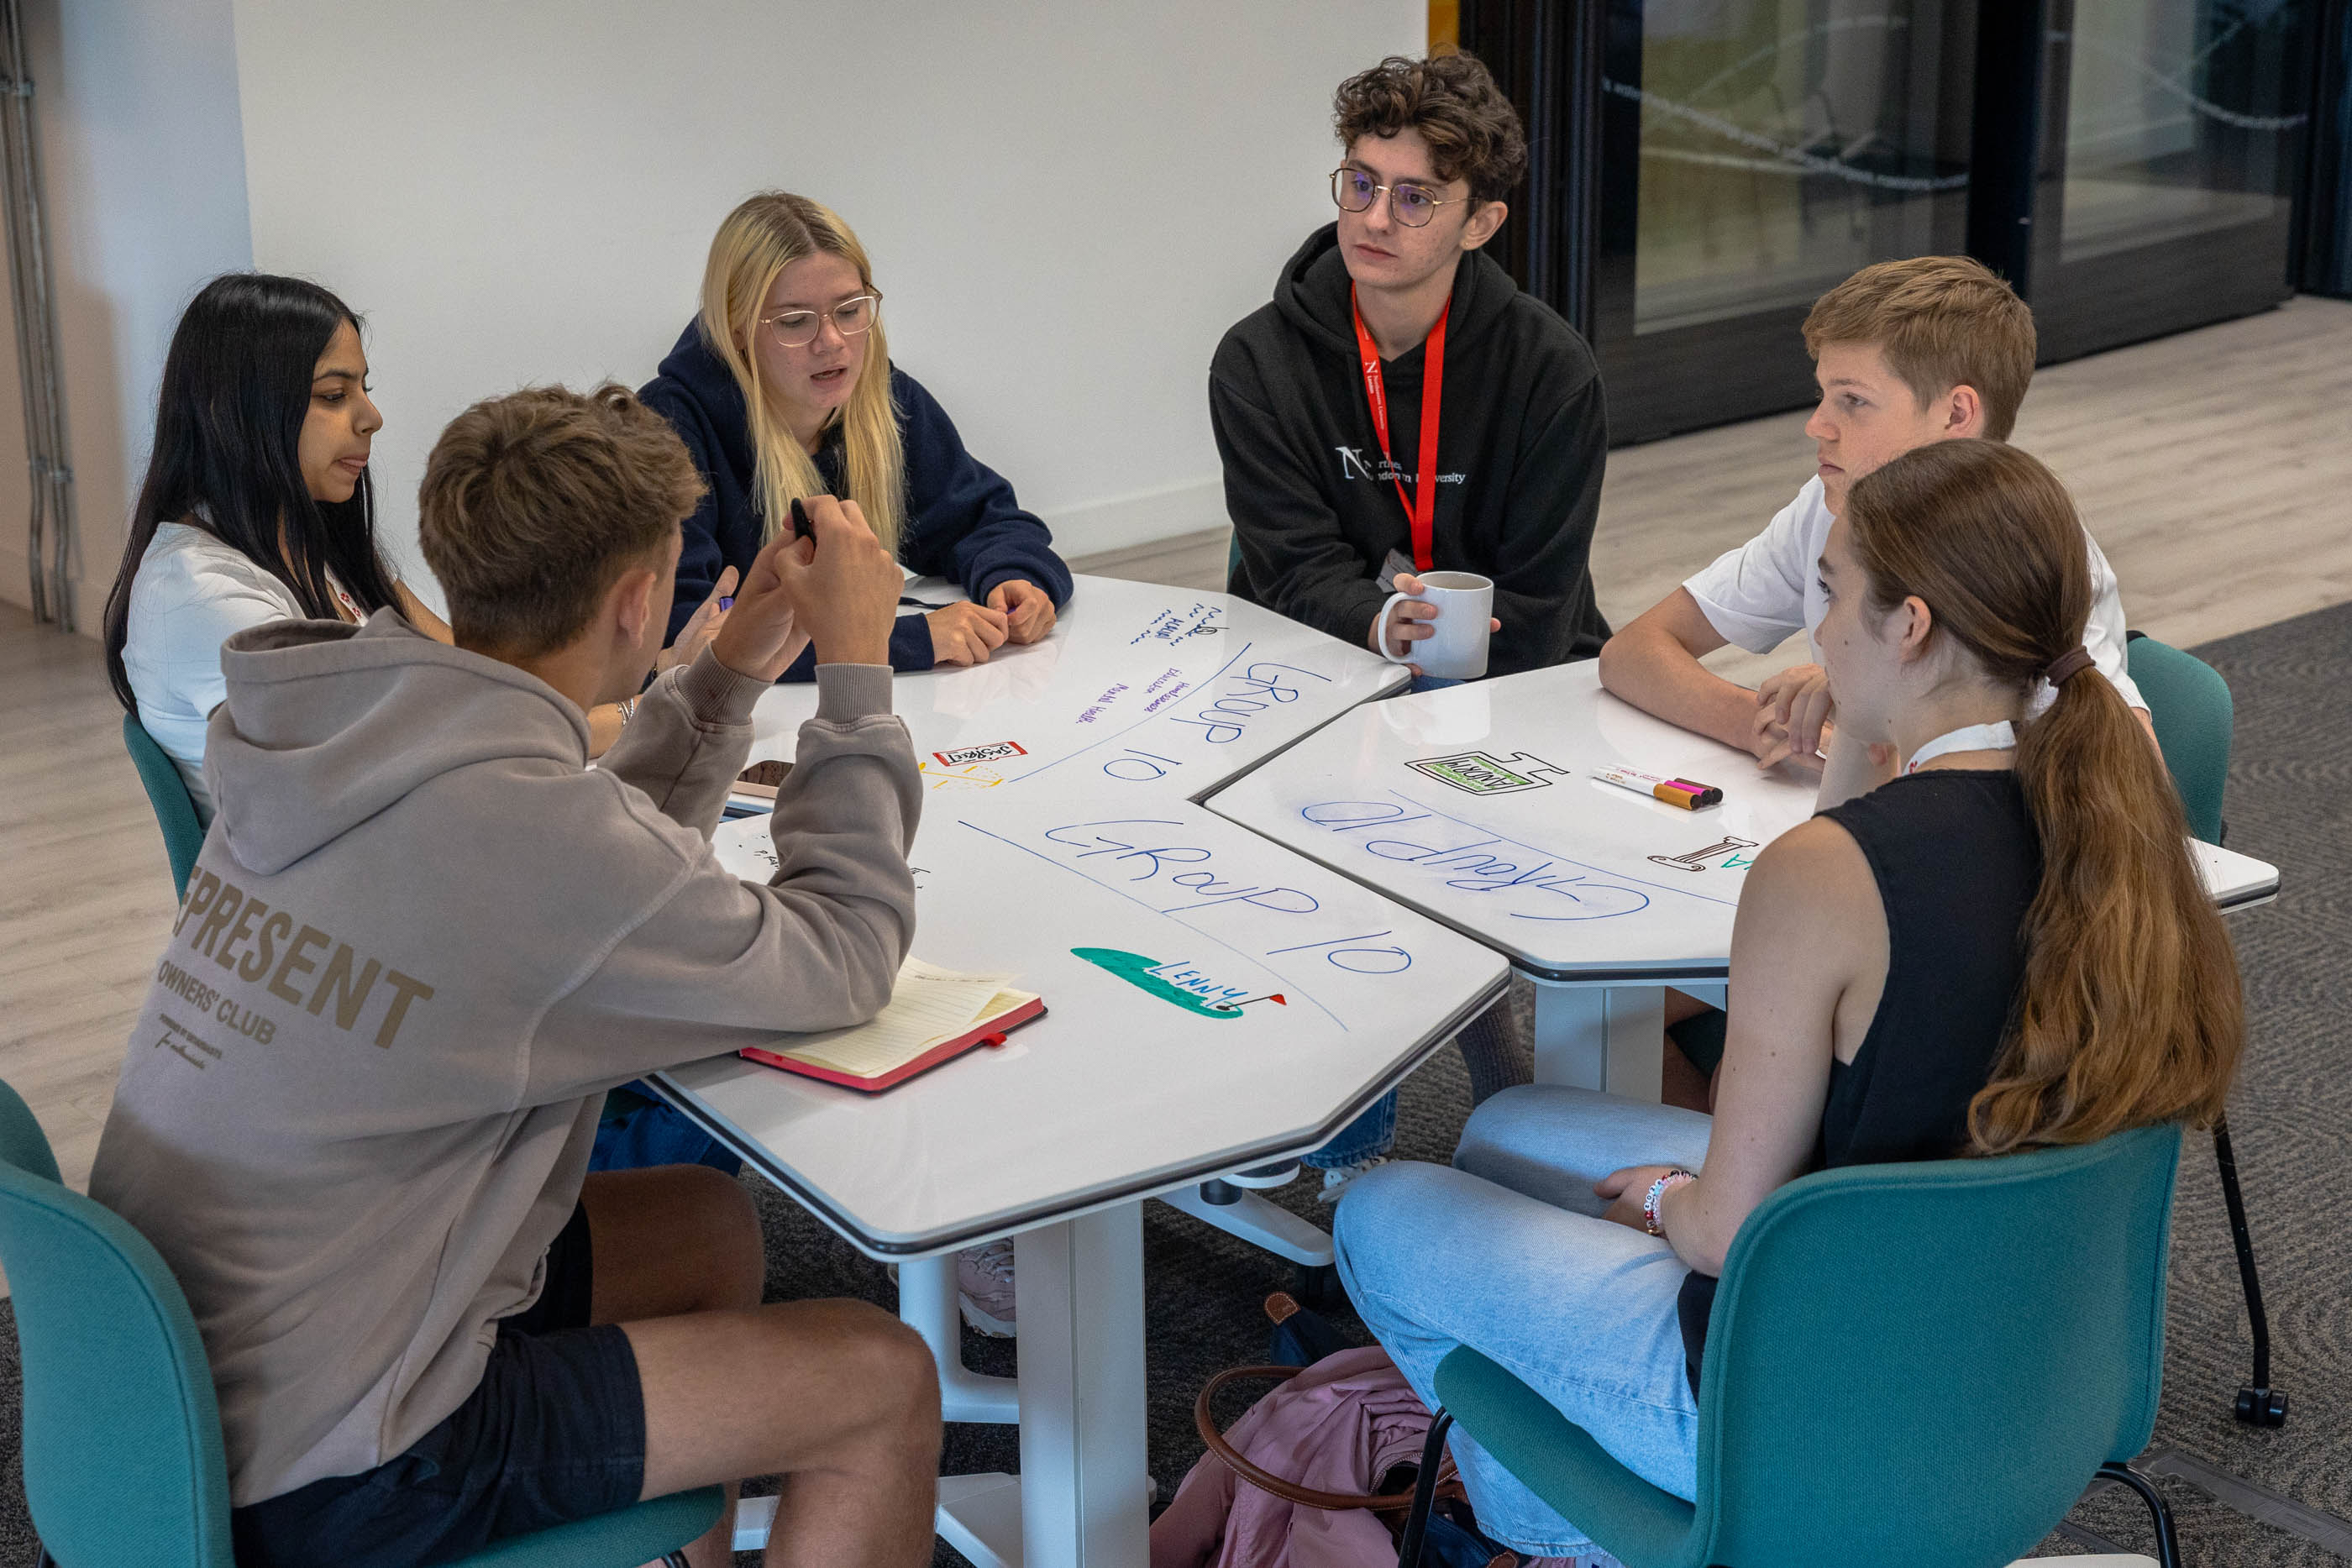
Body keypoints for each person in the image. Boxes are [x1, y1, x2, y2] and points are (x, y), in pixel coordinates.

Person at [1334, 439, 2243, 1563]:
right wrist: (1869, 721)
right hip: (2029, 1369)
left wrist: (1667, 1198)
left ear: (1910, 625)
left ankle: (1565, 1539)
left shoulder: (1823, 876)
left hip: (1791, 1407)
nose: (1815, 636)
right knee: (1504, 1128)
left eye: (1832, 594)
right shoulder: (2128, 827)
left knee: (1378, 1213)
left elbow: (1724, 1230)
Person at [90, 384, 941, 1568]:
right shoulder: (531, 836)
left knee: (703, 1227)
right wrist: (855, 676)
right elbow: (844, 953)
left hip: (174, 1382)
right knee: (881, 1380)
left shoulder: (348, 727)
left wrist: (727, 672)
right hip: (337, 1458)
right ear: (639, 600)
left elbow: (563, 866)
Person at [104, 276, 732, 816]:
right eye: (333, 396)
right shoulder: (201, 595)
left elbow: (484, 677)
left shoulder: (312, 548)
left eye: (363, 388)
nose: (371, 416)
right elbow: (450, 741)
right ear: (232, 412)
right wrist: (645, 708)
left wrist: (656, 666)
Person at [1597, 255, 2152, 783]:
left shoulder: (2041, 557)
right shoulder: (1829, 506)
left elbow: (2126, 778)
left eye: (1853, 401)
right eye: (1823, 395)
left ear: (1956, 413)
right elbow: (1633, 652)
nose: (1817, 425)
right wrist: (1764, 724)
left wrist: (1869, 705)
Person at [1210, 51, 1608, 684]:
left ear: (1480, 224)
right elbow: (1293, 569)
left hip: (1509, 667)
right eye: (1361, 184)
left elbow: (1541, 601)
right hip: (1323, 654)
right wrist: (1382, 626)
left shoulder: (1550, 371)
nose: (1374, 219)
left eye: (1415, 198)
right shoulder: (1258, 361)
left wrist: (1439, 660)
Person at [641, 190, 1072, 677]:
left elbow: (984, 522)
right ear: (736, 329)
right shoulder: (667, 430)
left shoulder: (884, 400)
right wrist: (905, 642)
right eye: (795, 322)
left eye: (849, 311)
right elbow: (682, 639)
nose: (831, 342)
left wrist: (1015, 576)